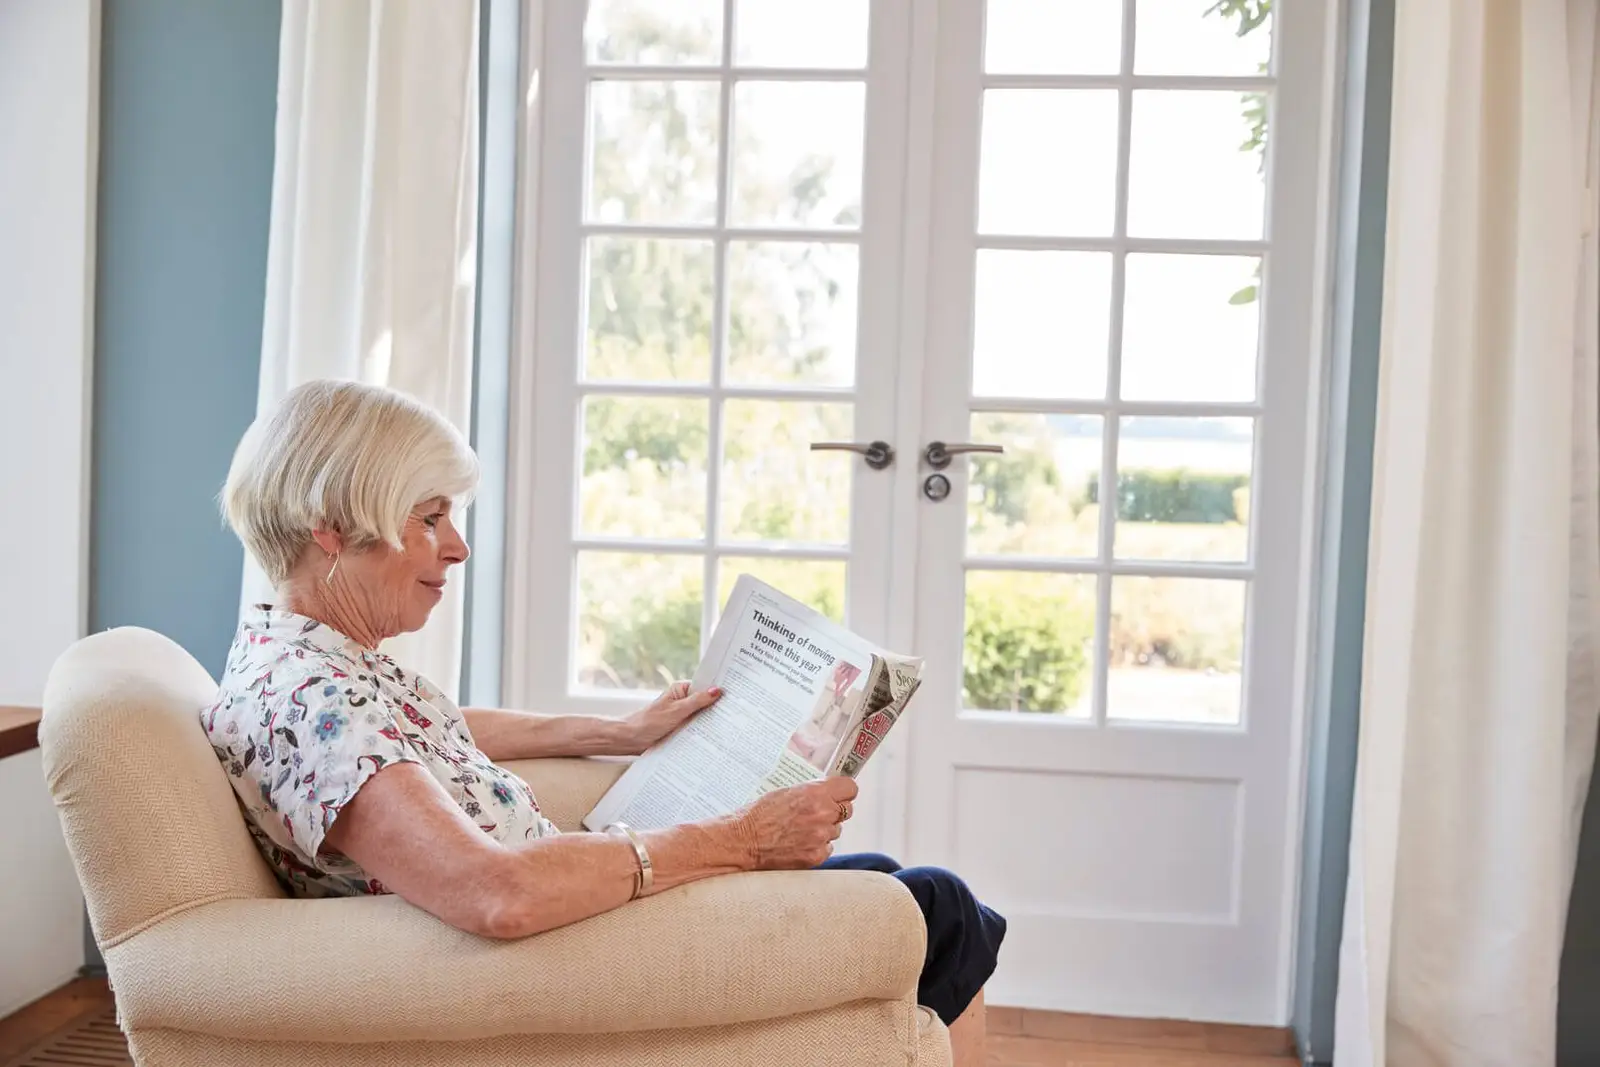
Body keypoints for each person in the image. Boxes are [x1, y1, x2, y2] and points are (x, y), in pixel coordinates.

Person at [206, 379, 1005, 1064]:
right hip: (572, 944)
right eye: (428, 518)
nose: (456, 547)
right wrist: (744, 838)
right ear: (333, 528)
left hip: (582, 903)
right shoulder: (314, 703)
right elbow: (496, 893)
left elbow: (427, 734)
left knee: (882, 875)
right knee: (933, 904)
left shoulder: (305, 661)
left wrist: (615, 733)